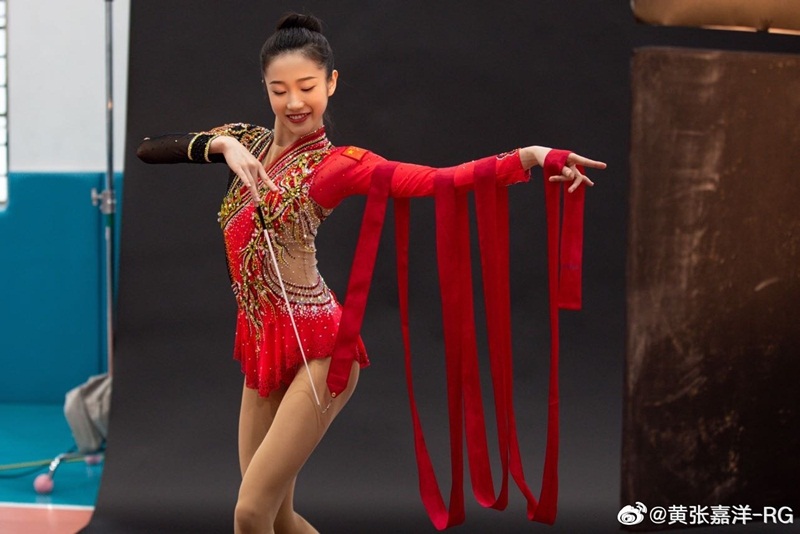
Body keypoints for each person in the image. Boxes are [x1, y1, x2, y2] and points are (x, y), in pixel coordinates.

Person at [137, 12, 605, 534]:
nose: (294, 102)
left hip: (320, 348)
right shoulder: (242, 143)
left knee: (249, 513)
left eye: (308, 87)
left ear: (331, 84)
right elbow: (149, 149)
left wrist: (534, 156)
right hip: (262, 342)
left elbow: (440, 181)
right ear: (266, 90)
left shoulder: (339, 165)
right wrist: (221, 145)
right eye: (280, 90)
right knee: (278, 515)